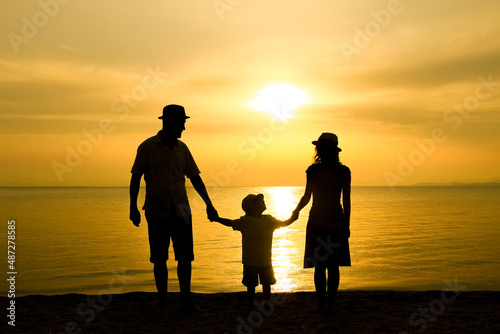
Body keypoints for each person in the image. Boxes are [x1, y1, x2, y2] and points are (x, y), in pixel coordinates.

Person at [129, 104, 218, 313]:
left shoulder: (183, 149)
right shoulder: (147, 147)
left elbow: (195, 178)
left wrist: (209, 204)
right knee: (159, 258)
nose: (184, 128)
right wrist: (132, 207)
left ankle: (185, 300)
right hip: (155, 210)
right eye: (182, 123)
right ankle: (163, 302)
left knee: (185, 258)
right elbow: (135, 178)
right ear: (168, 122)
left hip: (182, 211)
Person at [292, 132, 351, 313]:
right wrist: (296, 211)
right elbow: (307, 196)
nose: (318, 150)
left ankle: (328, 304)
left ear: (327, 150)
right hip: (322, 221)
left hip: (331, 221)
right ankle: (323, 304)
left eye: (320, 147)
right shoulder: (314, 170)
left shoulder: (342, 171)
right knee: (322, 266)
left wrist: (346, 225)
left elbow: (347, 200)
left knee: (329, 267)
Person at [215, 193, 297, 306]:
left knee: (266, 283)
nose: (263, 202)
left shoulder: (269, 220)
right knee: (251, 284)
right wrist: (217, 219)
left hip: (264, 261)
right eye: (260, 201)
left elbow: (284, 223)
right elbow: (230, 223)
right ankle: (251, 302)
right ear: (252, 207)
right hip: (251, 262)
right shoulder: (246, 221)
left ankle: (266, 302)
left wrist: (293, 217)